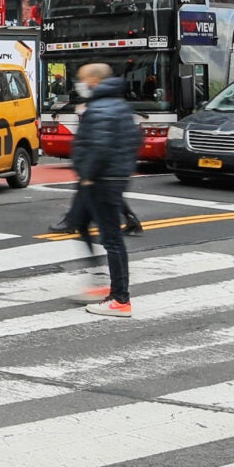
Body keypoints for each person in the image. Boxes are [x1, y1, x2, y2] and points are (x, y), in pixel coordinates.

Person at [69, 60, 141, 317]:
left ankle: (120, 299)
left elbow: (97, 146)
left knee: (112, 241)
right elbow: (135, 139)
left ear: (94, 81)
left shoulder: (99, 108)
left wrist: (87, 176)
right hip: (113, 178)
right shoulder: (120, 105)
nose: (81, 84)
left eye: (83, 78)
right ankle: (112, 292)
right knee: (96, 231)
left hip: (101, 181)